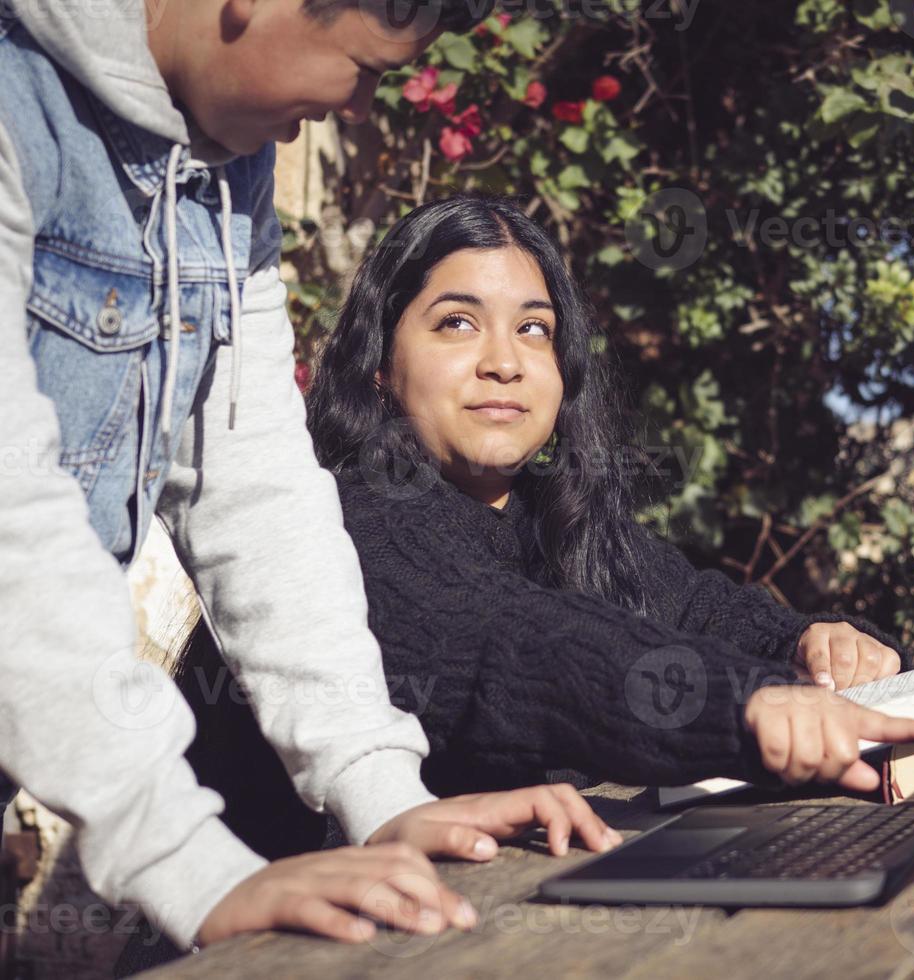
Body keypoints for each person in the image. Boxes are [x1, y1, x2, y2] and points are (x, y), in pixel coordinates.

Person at [0, 0, 616, 958]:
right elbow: (11, 526)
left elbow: (255, 491)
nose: (359, 108)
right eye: (365, 69)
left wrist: (382, 794)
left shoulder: (224, 173)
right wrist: (193, 867)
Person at [174, 194, 914, 857]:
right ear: (379, 362)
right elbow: (516, 645)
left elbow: (711, 613)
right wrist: (754, 708)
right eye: (456, 323)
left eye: (534, 330)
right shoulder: (348, 521)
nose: (504, 363)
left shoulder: (556, 518)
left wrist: (822, 640)